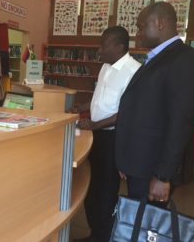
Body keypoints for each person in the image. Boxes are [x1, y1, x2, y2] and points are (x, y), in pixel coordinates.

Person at [115, 2, 194, 207]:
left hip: (152, 169)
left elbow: (181, 122)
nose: (138, 33)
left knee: (145, 228)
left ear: (160, 22)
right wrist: (125, 157)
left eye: (141, 26)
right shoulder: (157, 58)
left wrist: (163, 176)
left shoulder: (185, 59)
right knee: (136, 222)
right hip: (139, 164)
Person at [75, 26, 141, 242]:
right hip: (96, 134)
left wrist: (95, 125)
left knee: (105, 190)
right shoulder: (105, 66)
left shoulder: (134, 71)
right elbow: (99, 98)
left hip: (113, 138)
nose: (99, 49)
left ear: (120, 46)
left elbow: (126, 114)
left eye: (104, 45)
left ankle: (103, 236)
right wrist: (81, 107)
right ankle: (95, 232)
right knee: (91, 186)